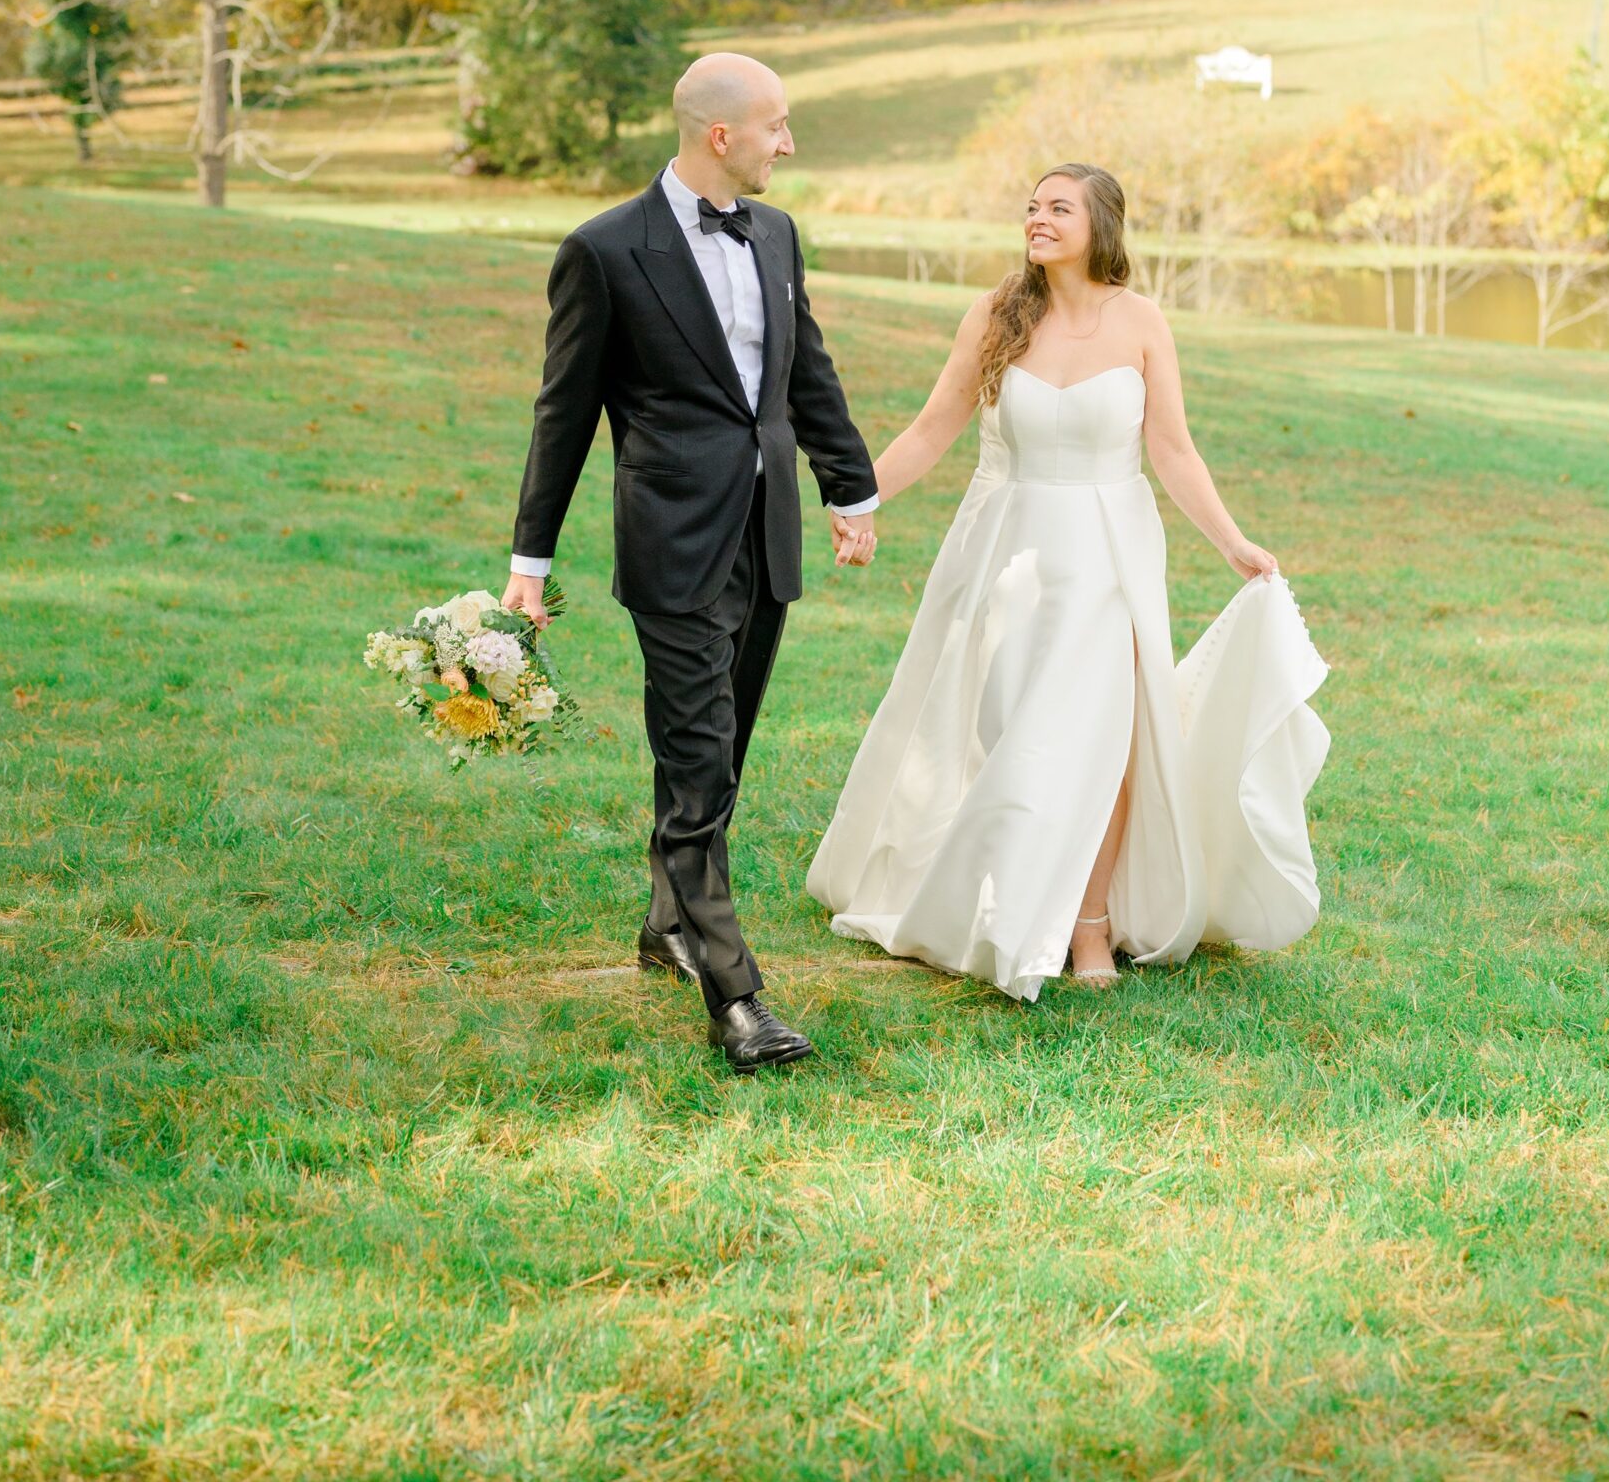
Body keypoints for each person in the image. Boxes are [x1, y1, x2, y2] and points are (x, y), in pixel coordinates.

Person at [808, 162, 1329, 1000]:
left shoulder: (1143, 322)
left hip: (1106, 552)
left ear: (1102, 225)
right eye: (1031, 206)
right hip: (1004, 544)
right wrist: (856, 500)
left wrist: (1230, 541)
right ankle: (991, 895)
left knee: (1103, 737)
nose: (1037, 218)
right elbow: (935, 424)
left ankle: (1088, 925)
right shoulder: (995, 313)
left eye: (1058, 208)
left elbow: (1171, 449)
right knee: (1000, 721)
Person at [503, 53, 880, 1074]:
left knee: (718, 753)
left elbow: (805, 370)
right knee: (699, 756)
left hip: (766, 536)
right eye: (776, 126)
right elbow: (563, 413)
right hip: (670, 543)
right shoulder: (604, 250)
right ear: (722, 135)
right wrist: (527, 560)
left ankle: (667, 921)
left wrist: (848, 489)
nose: (787, 143)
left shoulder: (776, 234)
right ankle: (737, 997)